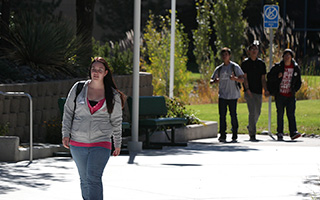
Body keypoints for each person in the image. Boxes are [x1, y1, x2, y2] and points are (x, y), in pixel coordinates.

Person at [62, 57, 125, 200]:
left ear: (105, 73)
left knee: (93, 178)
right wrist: (66, 133)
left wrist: (117, 143)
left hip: (101, 142)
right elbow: (68, 112)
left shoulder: (113, 95)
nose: (96, 73)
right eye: (93, 69)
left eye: (100, 70)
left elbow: (116, 120)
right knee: (84, 179)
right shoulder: (78, 88)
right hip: (78, 143)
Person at [210, 47, 244, 142]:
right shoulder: (219, 69)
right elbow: (211, 80)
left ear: (229, 56)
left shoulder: (234, 67)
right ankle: (222, 134)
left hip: (233, 95)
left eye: (226, 54)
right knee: (222, 115)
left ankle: (234, 133)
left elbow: (242, 79)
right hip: (222, 95)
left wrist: (235, 79)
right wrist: (214, 81)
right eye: (223, 55)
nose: (225, 56)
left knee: (233, 114)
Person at [267, 49, 302, 141]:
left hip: (290, 95)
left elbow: (299, 81)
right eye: (285, 55)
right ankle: (280, 132)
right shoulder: (278, 67)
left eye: (289, 56)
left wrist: (295, 90)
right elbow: (269, 77)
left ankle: (293, 132)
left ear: (291, 57)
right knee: (280, 114)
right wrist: (277, 77)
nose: (287, 57)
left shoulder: (295, 68)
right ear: (283, 57)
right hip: (280, 94)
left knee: (291, 114)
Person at [241, 43, 270, 141]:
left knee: (258, 111)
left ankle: (251, 125)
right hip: (249, 91)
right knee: (252, 112)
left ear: (258, 51)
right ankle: (252, 134)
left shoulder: (261, 64)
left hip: (258, 91)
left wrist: (265, 89)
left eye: (256, 49)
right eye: (252, 49)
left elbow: (263, 78)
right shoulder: (245, 63)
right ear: (249, 51)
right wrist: (247, 89)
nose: (254, 51)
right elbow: (244, 78)